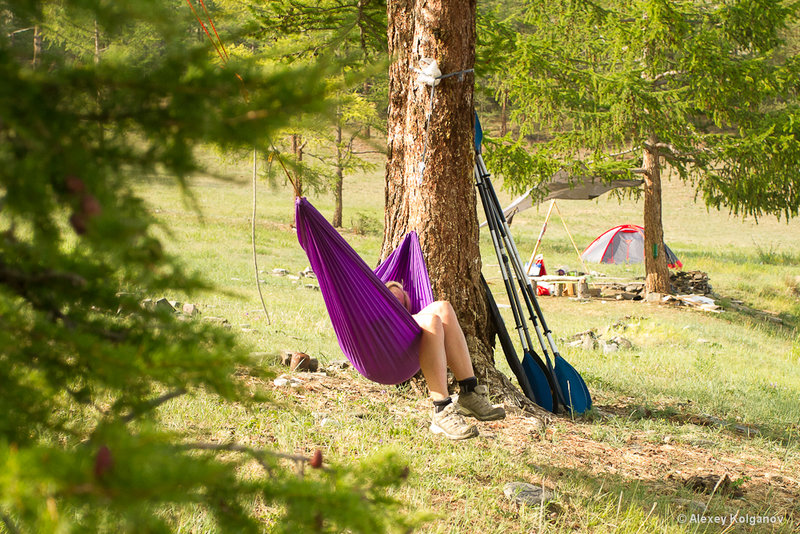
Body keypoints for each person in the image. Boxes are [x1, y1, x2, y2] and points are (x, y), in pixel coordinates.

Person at [386, 281, 505, 440]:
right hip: (386, 336)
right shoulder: (374, 311)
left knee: (444, 308)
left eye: (402, 301)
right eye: (393, 297)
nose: (398, 302)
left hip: (405, 335)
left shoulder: (412, 321)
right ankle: (441, 409)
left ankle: (469, 392)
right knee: (432, 321)